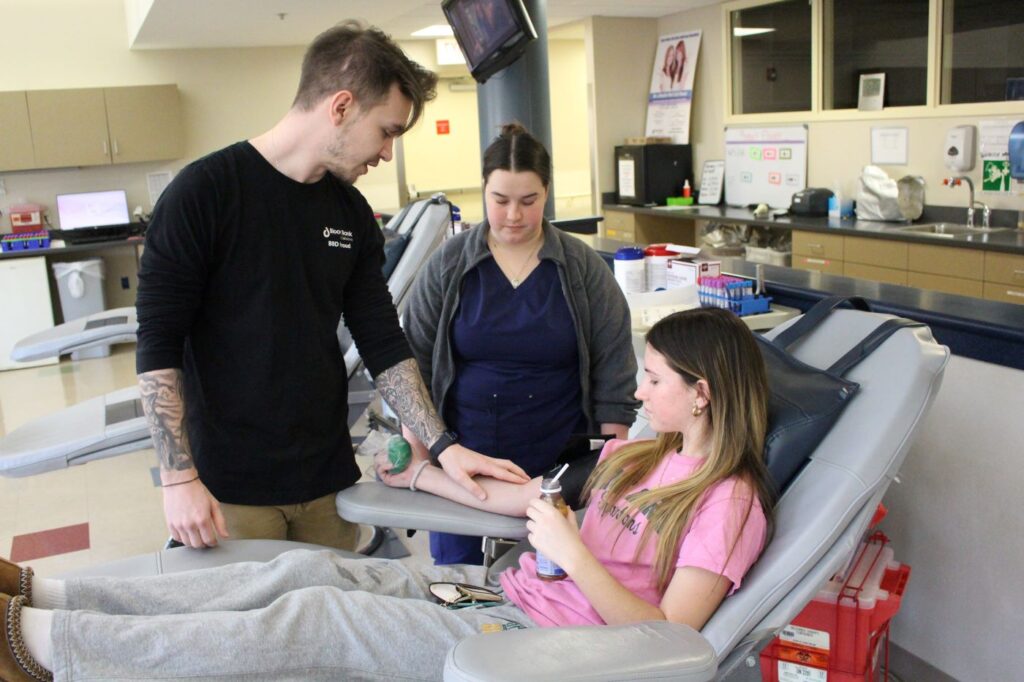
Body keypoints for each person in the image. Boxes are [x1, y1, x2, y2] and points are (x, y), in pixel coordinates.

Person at [0, 307, 774, 681]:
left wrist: (574, 556)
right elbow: (535, 502)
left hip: (534, 645)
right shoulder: (643, 451)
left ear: (702, 394)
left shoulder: (728, 502)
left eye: (653, 380)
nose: (635, 390)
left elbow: (675, 639)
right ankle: (55, 594)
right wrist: (429, 475)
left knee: (314, 615)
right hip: (486, 593)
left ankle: (40, 652)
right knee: (300, 572)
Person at [134, 21, 528, 553]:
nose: (388, 152)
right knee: (250, 634)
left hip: (324, 480)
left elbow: (383, 341)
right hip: (232, 486)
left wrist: (441, 445)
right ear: (341, 106)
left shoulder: (350, 213)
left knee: (328, 628)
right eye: (388, 131)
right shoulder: (203, 195)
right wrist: (179, 478)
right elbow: (158, 343)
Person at [402, 123, 639, 564]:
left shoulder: (582, 269)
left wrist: (609, 474)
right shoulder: (451, 265)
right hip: (460, 462)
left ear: (547, 193)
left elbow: (614, 372)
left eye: (528, 201)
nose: (514, 215)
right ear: (483, 193)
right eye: (501, 200)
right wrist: (419, 470)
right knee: (459, 587)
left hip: (555, 462)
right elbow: (410, 364)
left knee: (548, 592)